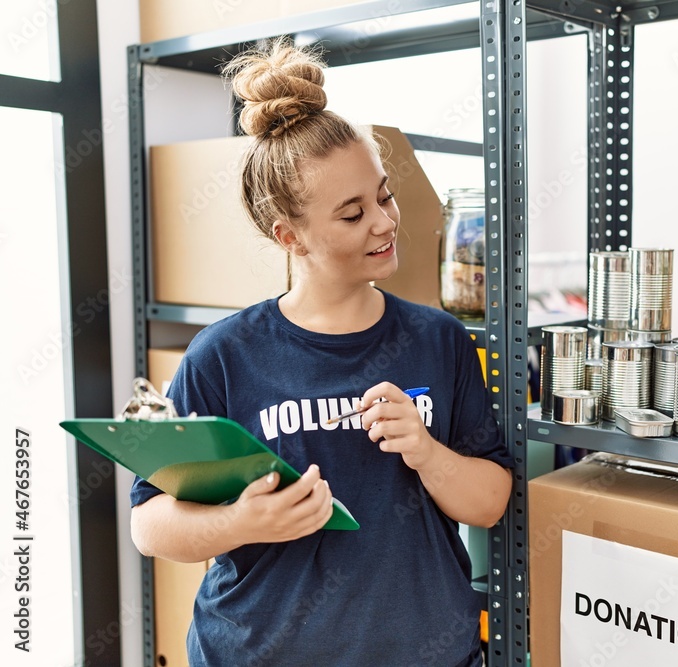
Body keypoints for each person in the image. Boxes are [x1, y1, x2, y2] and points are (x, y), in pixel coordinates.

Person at [129, 40, 513, 667]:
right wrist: (241, 524)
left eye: (384, 197)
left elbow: (490, 501)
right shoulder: (223, 356)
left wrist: (426, 451)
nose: (385, 223)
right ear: (290, 235)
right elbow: (151, 524)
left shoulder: (439, 339)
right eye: (352, 214)